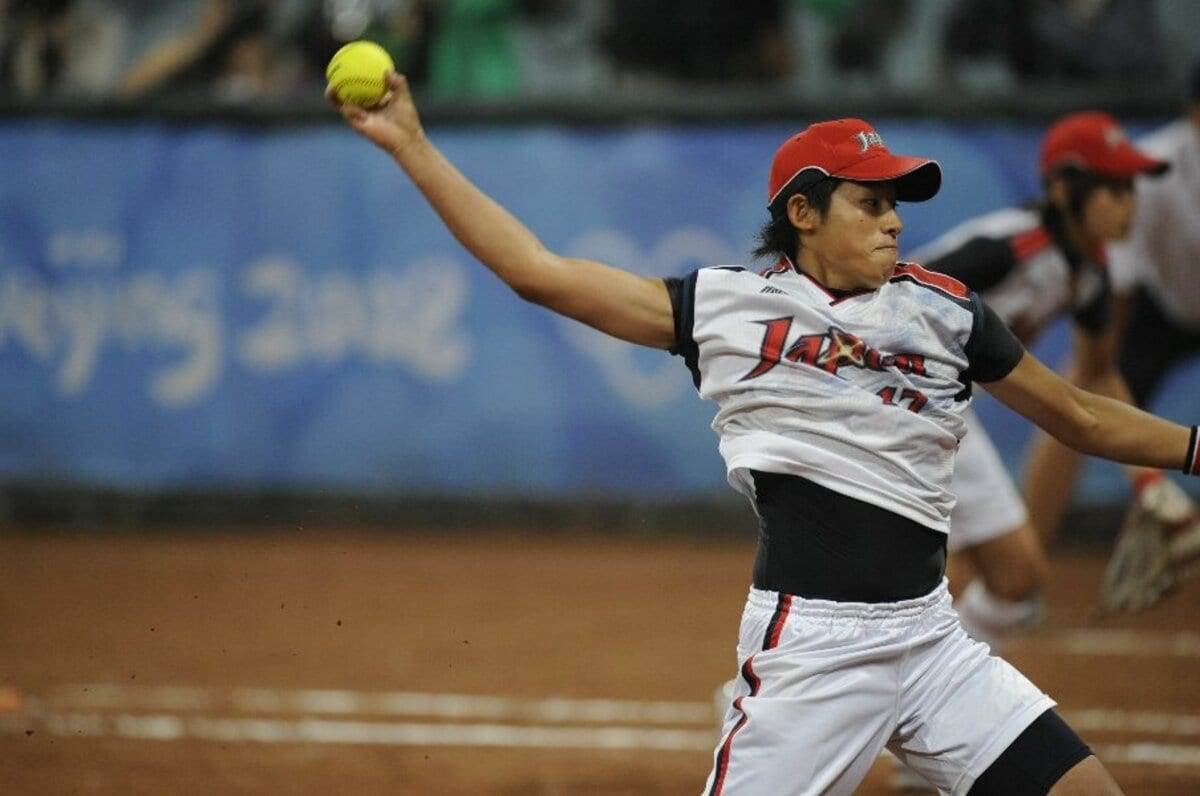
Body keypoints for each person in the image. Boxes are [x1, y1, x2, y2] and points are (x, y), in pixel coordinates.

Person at [328, 72, 1200, 794]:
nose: (894, 220)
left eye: (896, 203)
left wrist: (1194, 447)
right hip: (814, 652)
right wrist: (412, 145)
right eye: (869, 202)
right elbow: (537, 273)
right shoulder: (728, 306)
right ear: (804, 214)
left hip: (933, 643)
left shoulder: (947, 312)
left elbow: (1081, 415)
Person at [911, 111, 1197, 631]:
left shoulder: (1088, 274)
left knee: (1013, 581)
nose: (1129, 204)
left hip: (938, 410)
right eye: (1113, 189)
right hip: (896, 398)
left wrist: (1150, 483)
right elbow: (891, 297)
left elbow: (1097, 374)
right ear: (1065, 190)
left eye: (1131, 189)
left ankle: (924, 677)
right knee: (959, 576)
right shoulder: (1010, 248)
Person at [1016, 67, 1200, 608]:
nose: (1122, 197)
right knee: (1071, 398)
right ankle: (1024, 571)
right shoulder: (1152, 173)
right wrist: (1147, 481)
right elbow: (1109, 321)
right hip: (1158, 309)